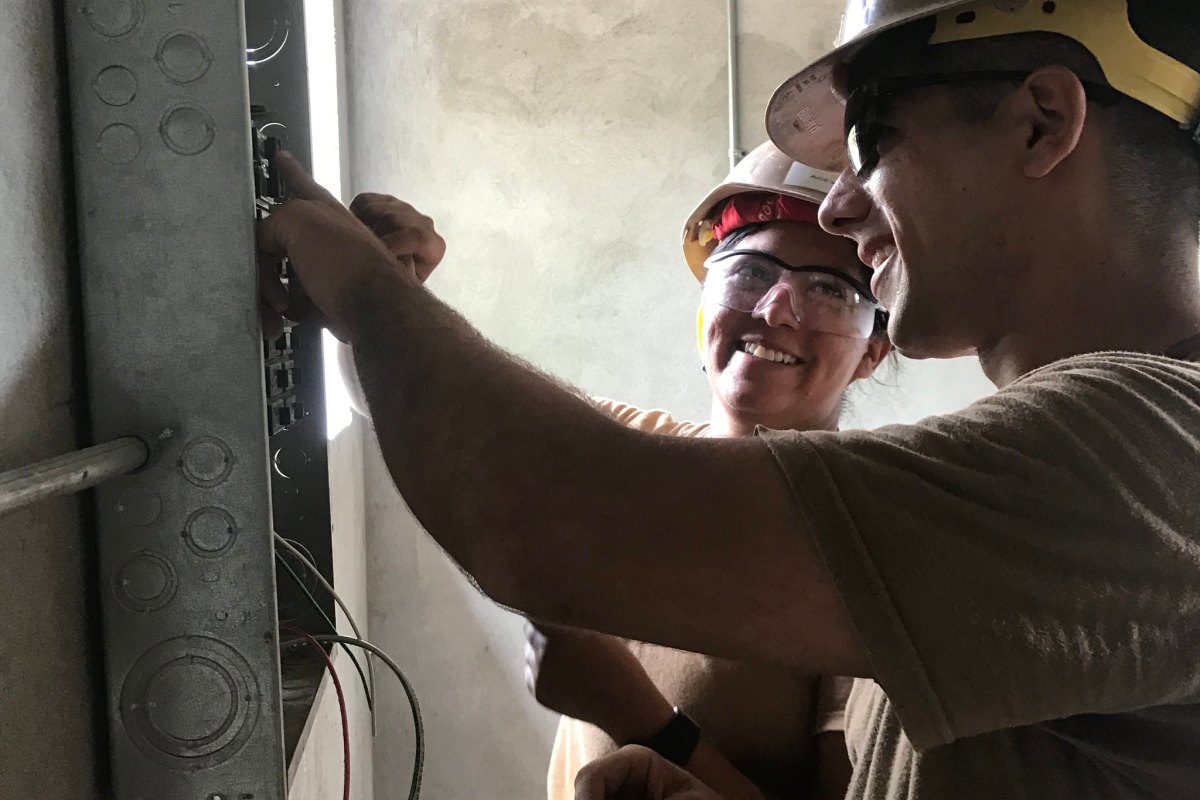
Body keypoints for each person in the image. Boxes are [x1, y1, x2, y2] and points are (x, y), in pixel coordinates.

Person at [258, 0, 1200, 796]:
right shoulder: (1050, 469)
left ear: (1042, 121)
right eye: (750, 268)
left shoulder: (1153, 455)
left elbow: (529, 510)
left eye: (872, 137)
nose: (838, 206)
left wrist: (352, 276)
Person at [525, 142, 890, 800]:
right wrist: (384, 282)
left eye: (829, 291)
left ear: (874, 352)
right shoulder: (629, 455)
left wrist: (636, 715)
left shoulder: (864, 547)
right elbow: (430, 407)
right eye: (750, 272)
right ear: (705, 305)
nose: (776, 309)